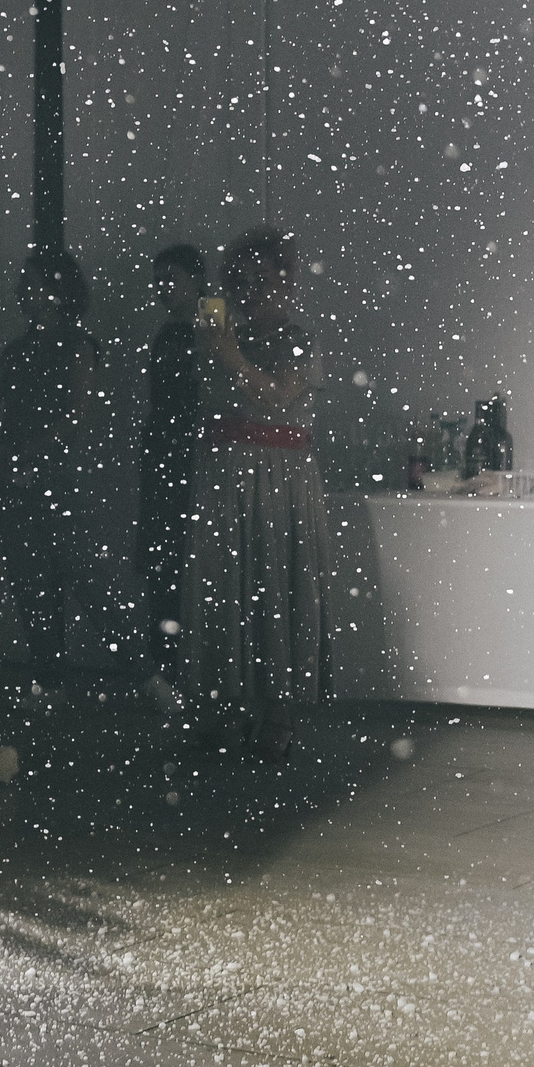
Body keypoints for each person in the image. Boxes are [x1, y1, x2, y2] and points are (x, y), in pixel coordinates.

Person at [186, 228, 330, 760]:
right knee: (228, 587)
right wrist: (215, 349)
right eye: (239, 281)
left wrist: (233, 359)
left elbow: (280, 395)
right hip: (225, 474)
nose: (248, 291)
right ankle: (228, 704)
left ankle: (279, 711)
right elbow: (208, 402)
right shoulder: (223, 333)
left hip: (277, 476)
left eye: (260, 279)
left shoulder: (296, 335)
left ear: (284, 282)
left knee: (274, 583)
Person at [0, 248, 102, 703]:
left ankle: (147, 677)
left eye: (30, 283)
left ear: (55, 293)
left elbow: (76, 415)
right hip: (17, 474)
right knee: (28, 583)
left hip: (53, 476)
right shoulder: (17, 350)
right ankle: (49, 679)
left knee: (82, 578)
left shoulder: (77, 345)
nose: (21, 291)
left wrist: (31, 454)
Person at [138, 244, 208, 683]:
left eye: (172, 279)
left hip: (189, 450)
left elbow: (211, 387)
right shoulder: (170, 332)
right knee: (165, 559)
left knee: (181, 559)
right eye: (160, 280)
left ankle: (179, 667)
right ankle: (168, 665)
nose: (164, 288)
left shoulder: (205, 325)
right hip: (169, 449)